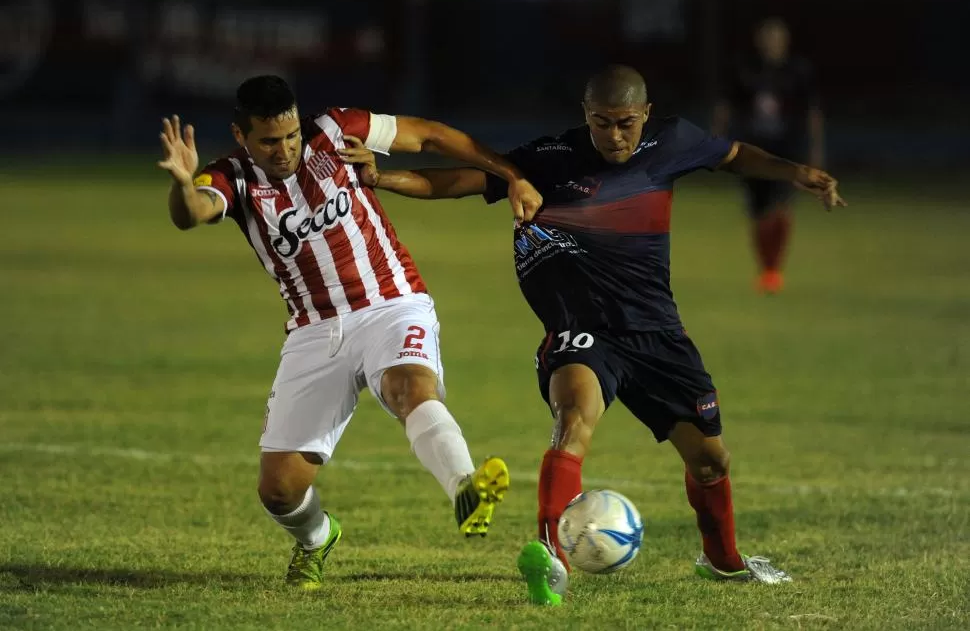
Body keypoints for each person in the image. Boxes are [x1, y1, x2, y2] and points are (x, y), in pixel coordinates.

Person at [338, 65, 845, 605]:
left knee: (711, 461)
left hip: (657, 334)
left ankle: (723, 561)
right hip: (580, 332)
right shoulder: (548, 159)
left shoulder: (672, 142)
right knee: (573, 420)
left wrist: (795, 173)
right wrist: (381, 178)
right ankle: (549, 559)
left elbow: (733, 154)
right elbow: (456, 182)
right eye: (602, 122)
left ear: (645, 114)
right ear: (586, 115)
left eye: (625, 122)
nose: (614, 134)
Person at [156, 75, 544, 591]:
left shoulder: (337, 130)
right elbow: (195, 213)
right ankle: (317, 538)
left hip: (392, 303)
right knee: (279, 491)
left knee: (409, 387)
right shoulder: (234, 176)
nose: (285, 148)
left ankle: (465, 490)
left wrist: (509, 172)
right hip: (313, 332)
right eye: (269, 140)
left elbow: (427, 136)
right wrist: (184, 184)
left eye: (290, 135)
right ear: (241, 135)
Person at [712, 18, 825, 294]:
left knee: (781, 208)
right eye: (768, 38)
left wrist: (815, 148)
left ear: (785, 42)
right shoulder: (744, 70)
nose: (772, 43)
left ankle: (774, 268)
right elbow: (726, 107)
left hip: (788, 149)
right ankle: (767, 268)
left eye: (777, 38)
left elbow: (812, 112)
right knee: (759, 212)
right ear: (759, 41)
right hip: (754, 149)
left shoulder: (799, 71)